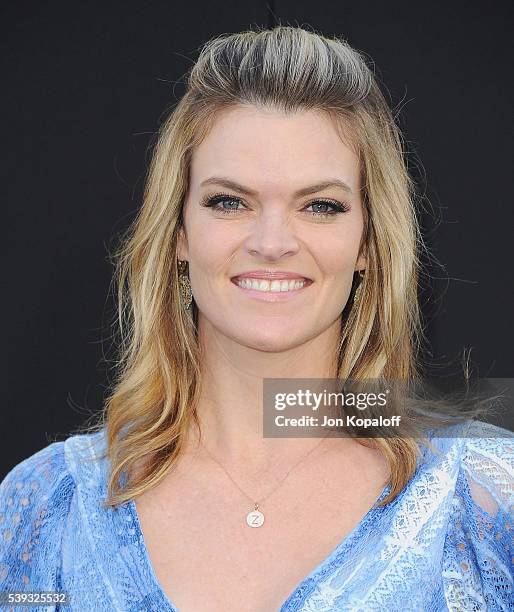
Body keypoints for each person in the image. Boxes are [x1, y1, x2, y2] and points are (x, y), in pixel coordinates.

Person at [1, 25, 512, 612]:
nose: (272, 242)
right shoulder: (46, 510)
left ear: (369, 241)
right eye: (230, 201)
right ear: (179, 234)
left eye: (320, 206)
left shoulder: (483, 498)